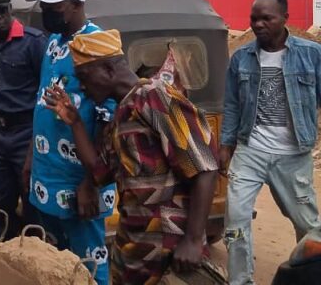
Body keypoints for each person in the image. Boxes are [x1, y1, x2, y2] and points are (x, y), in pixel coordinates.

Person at [43, 29, 219, 284]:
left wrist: (193, 240)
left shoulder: (155, 97)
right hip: (134, 255)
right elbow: (98, 170)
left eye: (84, 77)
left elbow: (205, 167)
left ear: (108, 71)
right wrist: (75, 122)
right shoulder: (121, 116)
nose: (81, 86)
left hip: (170, 253)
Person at [220, 0, 321, 285]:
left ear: (285, 19)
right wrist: (226, 146)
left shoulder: (311, 54)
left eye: (267, 18)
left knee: (311, 228)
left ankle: (309, 277)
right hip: (250, 151)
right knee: (235, 222)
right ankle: (240, 282)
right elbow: (232, 105)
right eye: (254, 19)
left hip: (294, 156)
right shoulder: (241, 58)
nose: (259, 24)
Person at [22, 0, 115, 285]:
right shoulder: (53, 42)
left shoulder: (96, 44)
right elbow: (42, 101)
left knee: (89, 260)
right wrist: (30, 158)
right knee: (57, 259)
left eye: (55, 8)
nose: (47, 14)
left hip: (79, 179)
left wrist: (91, 183)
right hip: (47, 172)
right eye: (44, 8)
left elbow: (107, 118)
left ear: (76, 5)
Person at [0, 0, 47, 241]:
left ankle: (32, 261)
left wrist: (35, 146)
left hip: (27, 135)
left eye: (0, 10)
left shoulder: (34, 42)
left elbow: (46, 96)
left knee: (32, 205)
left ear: (10, 9)